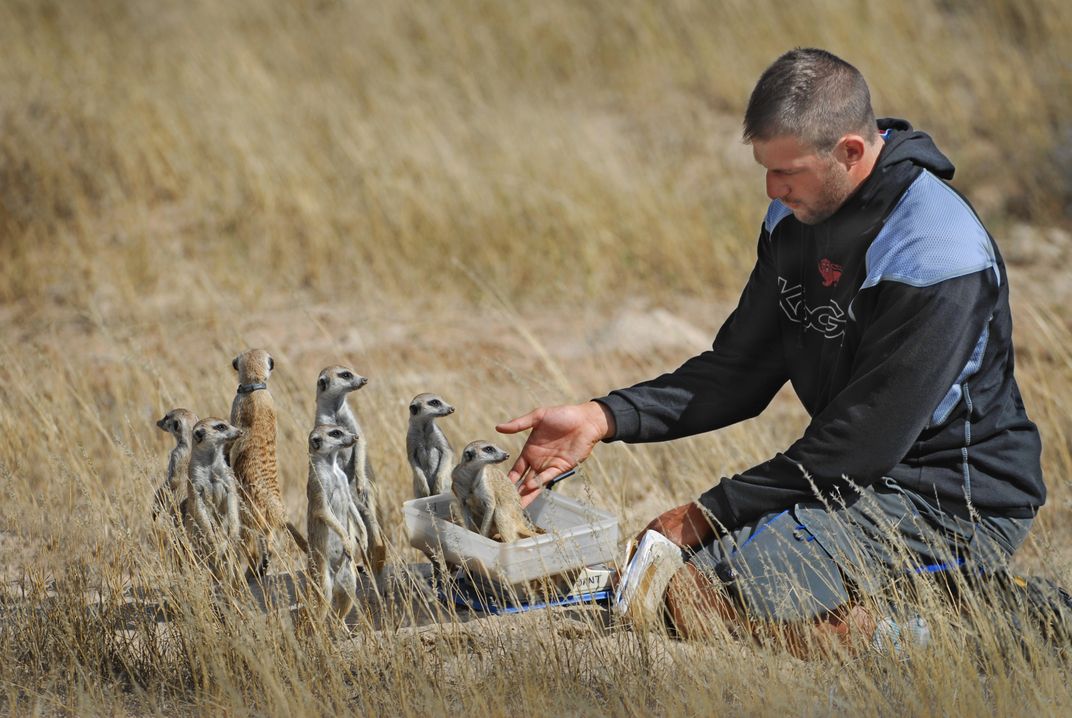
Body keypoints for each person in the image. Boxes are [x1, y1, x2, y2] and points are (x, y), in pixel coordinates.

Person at [495, 48, 1045, 648]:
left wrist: (703, 514)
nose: (771, 188)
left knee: (699, 592)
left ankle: (993, 630)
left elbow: (861, 444)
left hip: (951, 499)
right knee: (693, 585)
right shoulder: (794, 215)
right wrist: (603, 417)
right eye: (764, 168)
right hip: (862, 481)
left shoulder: (936, 251)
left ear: (851, 152)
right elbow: (739, 370)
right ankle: (899, 608)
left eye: (788, 171)